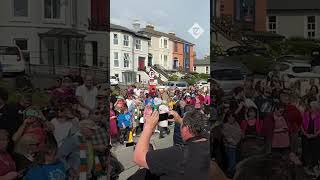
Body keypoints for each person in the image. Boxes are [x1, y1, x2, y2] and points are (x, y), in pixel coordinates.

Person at [133, 110, 210, 180]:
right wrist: (179, 120)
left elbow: (139, 158)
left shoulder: (178, 155)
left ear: (186, 128)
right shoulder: (208, 141)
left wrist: (148, 127)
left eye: (181, 126)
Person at [222, 112, 243, 177]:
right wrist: (233, 142)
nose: (231, 118)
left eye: (232, 117)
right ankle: (230, 173)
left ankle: (232, 173)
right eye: (229, 117)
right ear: (227, 118)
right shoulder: (225, 125)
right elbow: (227, 137)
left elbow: (240, 133)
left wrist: (237, 140)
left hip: (238, 145)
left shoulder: (236, 124)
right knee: (232, 161)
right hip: (230, 146)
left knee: (236, 160)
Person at [301, 101, 320, 173]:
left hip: (316, 136)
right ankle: (305, 166)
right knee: (305, 150)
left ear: (315, 108)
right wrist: (305, 134)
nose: (309, 108)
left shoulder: (319, 116)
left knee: (315, 151)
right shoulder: (305, 114)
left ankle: (314, 165)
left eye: (311, 107)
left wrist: (314, 135)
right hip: (305, 135)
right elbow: (301, 125)